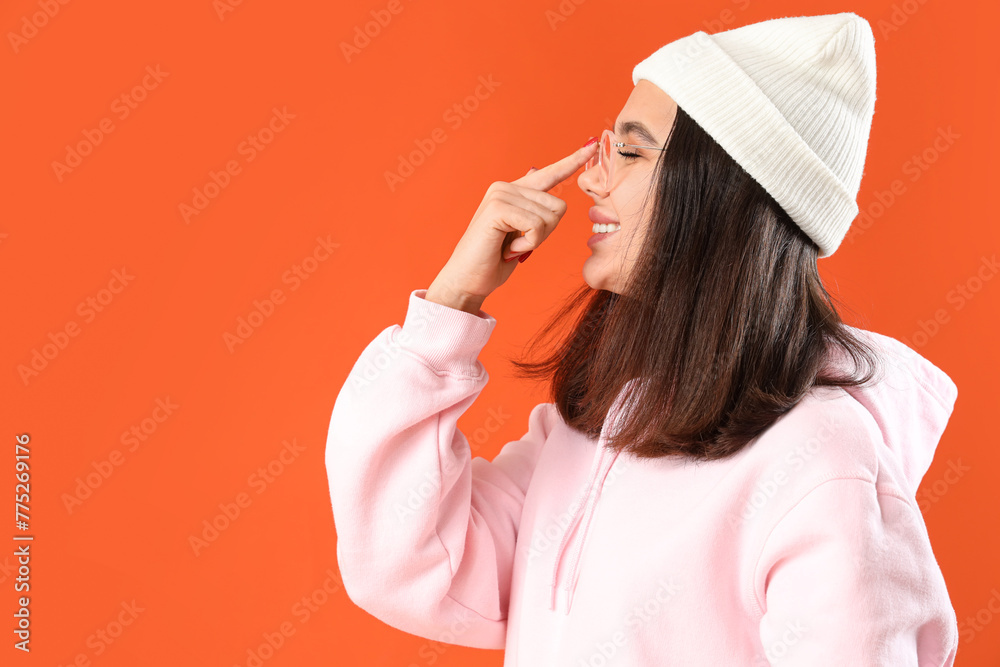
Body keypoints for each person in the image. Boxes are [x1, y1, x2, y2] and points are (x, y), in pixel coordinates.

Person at [326, 11, 960, 666]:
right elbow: (408, 561)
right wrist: (451, 303)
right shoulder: (595, 433)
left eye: (629, 150)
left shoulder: (821, 462)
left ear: (723, 188)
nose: (593, 179)